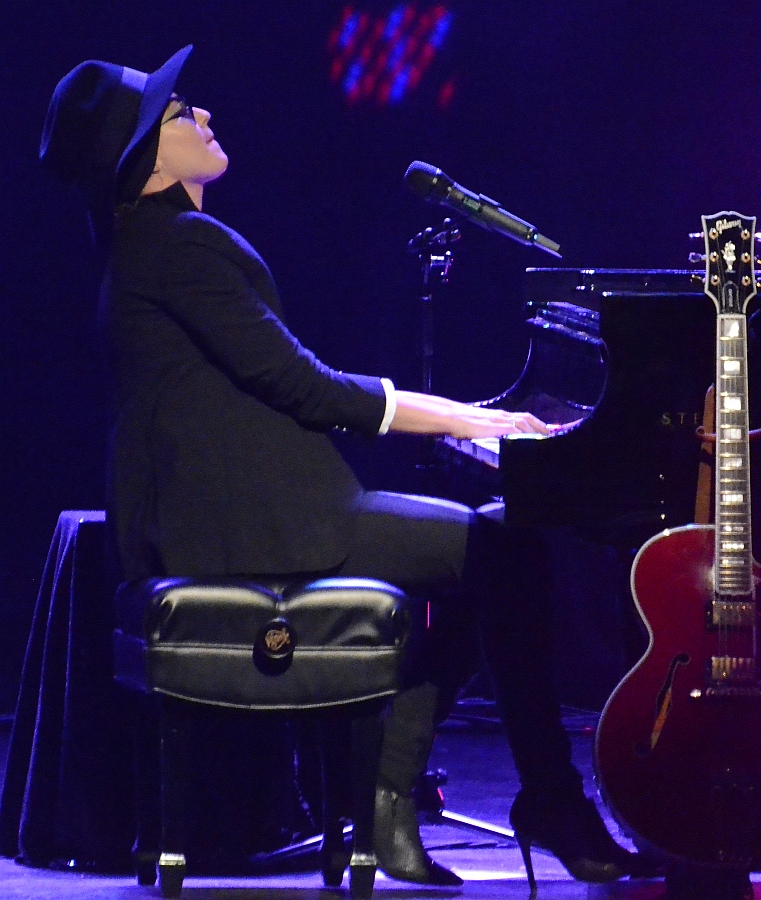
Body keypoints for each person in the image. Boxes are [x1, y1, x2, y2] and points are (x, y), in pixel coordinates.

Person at [39, 45, 647, 887]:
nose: (203, 115)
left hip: (232, 512)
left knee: (490, 549)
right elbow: (307, 386)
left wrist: (477, 419)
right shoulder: (181, 244)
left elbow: (286, 380)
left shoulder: (158, 245)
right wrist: (484, 419)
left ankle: (396, 805)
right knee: (502, 548)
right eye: (180, 114)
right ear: (142, 162)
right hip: (249, 525)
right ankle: (508, 797)